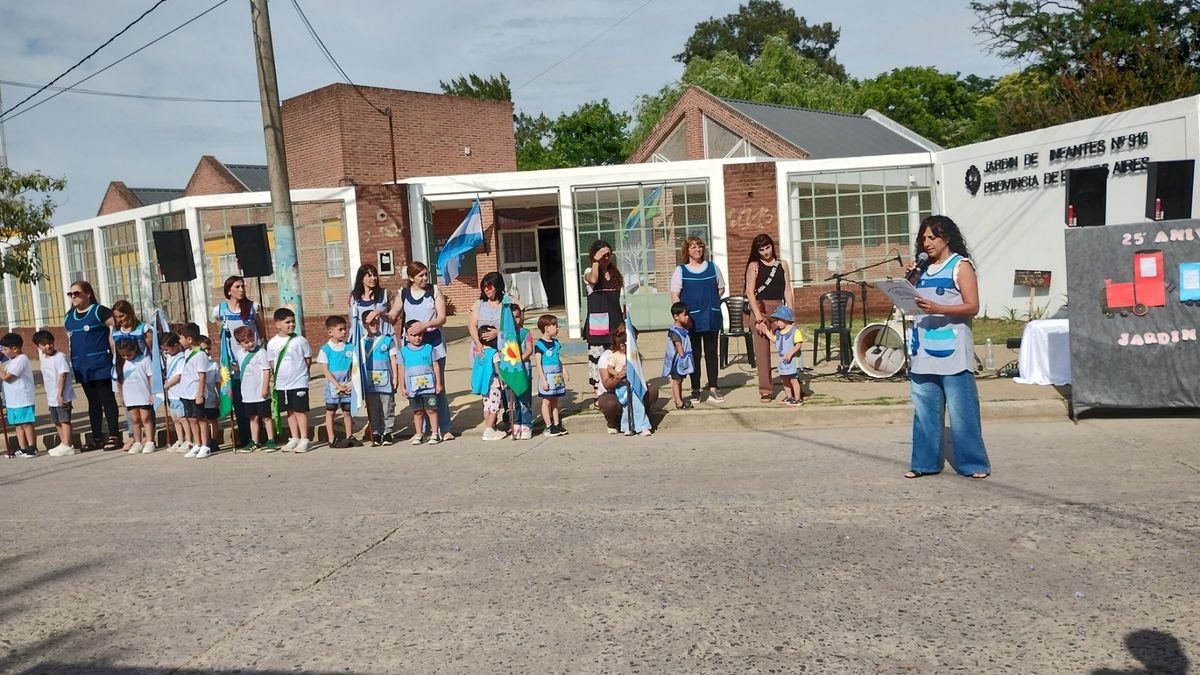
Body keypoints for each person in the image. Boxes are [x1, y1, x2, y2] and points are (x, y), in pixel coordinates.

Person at [904, 215, 991, 480]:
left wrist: (941, 308)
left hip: (953, 351)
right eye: (923, 238)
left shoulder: (960, 266)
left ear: (947, 238)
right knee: (925, 410)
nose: (926, 243)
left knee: (962, 411)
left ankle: (974, 464)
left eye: (932, 237)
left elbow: (972, 306)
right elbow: (912, 303)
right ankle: (924, 463)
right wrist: (906, 283)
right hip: (923, 349)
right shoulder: (921, 270)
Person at [64, 281, 121, 450]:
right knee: (92, 402)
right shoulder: (69, 317)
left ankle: (114, 436)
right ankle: (97, 437)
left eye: (77, 293)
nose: (73, 297)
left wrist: (116, 346)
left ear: (88, 294)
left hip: (100, 363)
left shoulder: (99, 311)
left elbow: (119, 325)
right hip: (81, 366)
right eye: (71, 294)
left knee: (106, 399)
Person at [670, 236, 726, 403]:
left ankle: (714, 388)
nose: (697, 250)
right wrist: (681, 317)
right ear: (687, 251)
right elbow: (674, 295)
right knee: (693, 354)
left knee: (711, 354)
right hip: (691, 321)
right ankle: (695, 389)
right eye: (693, 247)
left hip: (711, 317)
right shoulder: (681, 270)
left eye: (700, 246)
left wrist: (710, 303)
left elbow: (721, 288)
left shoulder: (712, 267)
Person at [213, 276, 267, 448]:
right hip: (233, 364)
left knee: (257, 400)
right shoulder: (220, 310)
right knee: (240, 402)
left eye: (242, 286)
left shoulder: (252, 308)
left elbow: (261, 331)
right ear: (229, 290)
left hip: (253, 362)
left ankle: (261, 437)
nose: (242, 289)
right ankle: (245, 437)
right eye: (237, 286)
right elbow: (220, 335)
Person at [401, 262, 453, 439]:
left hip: (434, 345)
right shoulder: (404, 294)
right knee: (417, 387)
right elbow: (393, 314)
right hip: (412, 349)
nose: (425, 278)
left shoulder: (434, 291)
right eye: (420, 275)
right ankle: (421, 430)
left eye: (426, 274)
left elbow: (442, 318)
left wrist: (425, 325)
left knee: (438, 387)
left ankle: (444, 428)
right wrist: (378, 313)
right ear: (411, 278)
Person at [745, 234, 794, 402]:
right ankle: (766, 389)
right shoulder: (754, 266)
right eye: (761, 249)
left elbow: (788, 289)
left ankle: (793, 385)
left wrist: (790, 312)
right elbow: (749, 292)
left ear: (772, 246)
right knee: (763, 352)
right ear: (757, 251)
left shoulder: (783, 264)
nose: (765, 252)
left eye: (767, 247)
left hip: (780, 310)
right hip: (761, 309)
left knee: (788, 348)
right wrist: (758, 318)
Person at [267, 307, 313, 453]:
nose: (291, 325)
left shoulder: (300, 340)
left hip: (299, 382)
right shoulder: (272, 343)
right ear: (277, 324)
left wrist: (302, 374)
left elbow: (307, 360)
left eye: (293, 322)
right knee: (290, 412)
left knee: (300, 411)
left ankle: (305, 438)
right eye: (287, 322)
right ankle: (294, 437)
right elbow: (272, 363)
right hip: (282, 384)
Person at [582, 240, 623, 399]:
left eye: (608, 254)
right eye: (602, 255)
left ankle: (615, 388)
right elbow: (592, 279)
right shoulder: (589, 271)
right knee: (597, 358)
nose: (606, 258)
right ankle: (598, 394)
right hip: (598, 324)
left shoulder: (615, 273)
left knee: (615, 356)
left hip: (615, 322)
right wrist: (595, 262)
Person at [110, 300, 154, 447]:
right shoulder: (115, 331)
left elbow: (151, 349)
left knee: (145, 408)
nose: (119, 320)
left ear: (129, 313)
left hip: (142, 368)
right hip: (124, 370)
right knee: (131, 406)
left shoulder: (143, 328)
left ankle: (149, 438)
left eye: (122, 316)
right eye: (116, 317)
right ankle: (133, 437)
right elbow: (114, 352)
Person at [598, 325, 654, 436]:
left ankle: (642, 425)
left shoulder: (633, 355)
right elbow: (607, 381)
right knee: (623, 405)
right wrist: (619, 375)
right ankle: (621, 425)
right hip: (615, 389)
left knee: (641, 401)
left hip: (632, 385)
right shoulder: (609, 356)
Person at [231, 325, 276, 453]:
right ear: (239, 343)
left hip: (260, 391)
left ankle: (271, 439)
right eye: (246, 342)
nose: (250, 344)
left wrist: (265, 387)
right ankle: (255, 442)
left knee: (266, 417)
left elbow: (266, 370)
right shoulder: (239, 354)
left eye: (252, 340)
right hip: (247, 393)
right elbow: (241, 369)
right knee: (253, 418)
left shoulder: (261, 352)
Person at [33, 330, 78, 456]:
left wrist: (60, 394)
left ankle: (68, 444)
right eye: (44, 344)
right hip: (51, 396)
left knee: (64, 420)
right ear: (38, 346)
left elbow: (62, 375)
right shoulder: (43, 358)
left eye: (50, 343)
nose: (48, 346)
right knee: (57, 420)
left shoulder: (60, 357)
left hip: (62, 396)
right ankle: (64, 442)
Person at [399, 319, 442, 446]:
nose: (417, 338)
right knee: (417, 411)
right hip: (413, 389)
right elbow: (401, 369)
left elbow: (436, 366)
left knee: (431, 410)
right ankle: (419, 433)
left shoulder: (429, 348)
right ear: (406, 335)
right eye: (413, 335)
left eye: (420, 334)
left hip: (429, 388)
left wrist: (438, 383)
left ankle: (435, 432)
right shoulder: (403, 352)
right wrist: (403, 387)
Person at [316, 315, 356, 448]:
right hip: (333, 386)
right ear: (330, 332)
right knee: (331, 412)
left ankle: (350, 435)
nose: (344, 332)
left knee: (347, 412)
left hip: (347, 384)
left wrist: (350, 383)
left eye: (345, 329)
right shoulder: (325, 350)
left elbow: (353, 367)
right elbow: (326, 370)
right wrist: (336, 384)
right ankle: (331, 438)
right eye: (340, 329)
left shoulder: (350, 347)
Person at [362, 312, 399, 446]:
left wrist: (395, 377)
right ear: (365, 324)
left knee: (387, 406)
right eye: (371, 323)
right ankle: (376, 432)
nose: (375, 325)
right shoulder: (361, 342)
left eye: (377, 322)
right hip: (369, 382)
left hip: (385, 380)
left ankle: (388, 432)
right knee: (373, 408)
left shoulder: (387, 340)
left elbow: (393, 359)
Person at [113, 339, 156, 453]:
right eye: (123, 355)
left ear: (135, 349)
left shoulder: (145, 360)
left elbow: (151, 377)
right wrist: (121, 396)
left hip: (144, 394)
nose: (126, 357)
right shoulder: (120, 363)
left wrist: (153, 393)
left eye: (128, 354)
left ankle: (150, 441)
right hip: (130, 396)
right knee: (135, 420)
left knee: (146, 418)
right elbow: (119, 381)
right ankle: (137, 442)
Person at [0, 333, 38, 458]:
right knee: (18, 424)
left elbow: (7, 377)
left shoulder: (21, 360)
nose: (4, 352)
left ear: (15, 348)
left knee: (26, 423)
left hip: (23, 398)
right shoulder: (12, 361)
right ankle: (23, 447)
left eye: (5, 349)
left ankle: (32, 447)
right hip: (12, 400)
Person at [176, 323, 212, 459]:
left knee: (201, 419)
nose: (180, 341)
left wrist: (200, 394)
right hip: (186, 393)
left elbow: (202, 375)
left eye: (181, 338)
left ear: (189, 339)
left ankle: (205, 446)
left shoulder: (201, 355)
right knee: (191, 419)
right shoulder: (187, 352)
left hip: (196, 393)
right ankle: (197, 444)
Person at [534, 314, 568, 436]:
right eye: (555, 326)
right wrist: (543, 380)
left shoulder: (556, 343)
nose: (557, 328)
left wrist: (564, 369)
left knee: (555, 401)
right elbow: (538, 363)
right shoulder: (539, 345)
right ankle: (548, 426)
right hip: (547, 376)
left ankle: (557, 424)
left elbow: (557, 358)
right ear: (546, 328)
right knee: (546, 401)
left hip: (556, 375)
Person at [769, 306, 805, 407]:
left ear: (785, 319)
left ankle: (798, 399)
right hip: (783, 362)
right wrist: (766, 331)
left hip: (793, 361)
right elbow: (774, 339)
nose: (776, 322)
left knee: (794, 380)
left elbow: (798, 344)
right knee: (784, 379)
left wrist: (790, 353)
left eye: (778, 320)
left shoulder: (794, 331)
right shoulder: (779, 332)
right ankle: (789, 397)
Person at [661, 302, 694, 410]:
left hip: (681, 360)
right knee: (677, 381)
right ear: (676, 316)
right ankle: (678, 402)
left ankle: (679, 398)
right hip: (677, 362)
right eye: (684, 315)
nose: (687, 317)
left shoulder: (683, 329)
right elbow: (678, 346)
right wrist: (683, 357)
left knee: (680, 380)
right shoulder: (675, 332)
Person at [350, 263, 397, 337]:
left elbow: (394, 317)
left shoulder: (385, 294)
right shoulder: (354, 296)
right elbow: (352, 320)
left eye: (375, 275)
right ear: (361, 278)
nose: (373, 278)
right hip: (362, 340)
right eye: (369, 276)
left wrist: (382, 315)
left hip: (382, 340)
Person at [474, 330, 505, 441]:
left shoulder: (479, 353)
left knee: (487, 406)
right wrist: (502, 380)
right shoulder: (494, 353)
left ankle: (489, 427)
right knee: (495, 407)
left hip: (483, 385)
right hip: (493, 384)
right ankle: (489, 429)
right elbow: (497, 369)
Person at [162, 333, 190, 452]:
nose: (166, 352)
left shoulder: (181, 358)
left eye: (167, 349)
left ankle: (189, 440)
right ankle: (180, 439)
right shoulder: (169, 357)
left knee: (183, 418)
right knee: (175, 419)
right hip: (171, 393)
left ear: (176, 345)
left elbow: (178, 376)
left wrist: (166, 385)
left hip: (179, 393)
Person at [511, 305, 535, 440]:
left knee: (524, 400)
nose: (515, 320)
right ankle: (516, 423)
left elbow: (529, 350)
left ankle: (526, 424)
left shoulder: (526, 333)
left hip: (523, 369)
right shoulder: (505, 334)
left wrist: (519, 360)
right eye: (512, 318)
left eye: (517, 317)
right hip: (510, 371)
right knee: (513, 402)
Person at [199, 336, 222, 453]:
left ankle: (214, 440)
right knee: (202, 420)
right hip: (200, 397)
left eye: (209, 349)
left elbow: (218, 382)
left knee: (213, 420)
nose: (207, 352)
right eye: (204, 349)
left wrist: (219, 397)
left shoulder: (213, 365)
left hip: (211, 397)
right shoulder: (196, 362)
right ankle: (203, 441)